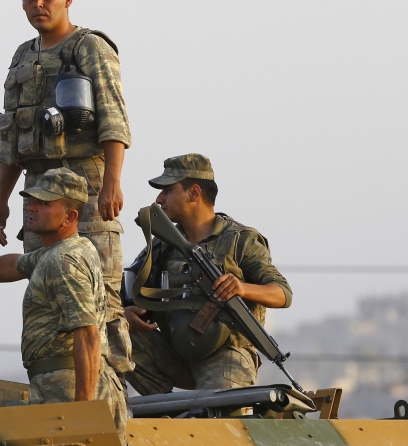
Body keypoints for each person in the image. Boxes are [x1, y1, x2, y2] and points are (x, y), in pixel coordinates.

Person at [0, 0, 133, 380]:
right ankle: (56, 385)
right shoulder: (21, 56)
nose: (37, 5)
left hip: (85, 190)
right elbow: (13, 138)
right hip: (39, 191)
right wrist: (0, 202)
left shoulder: (89, 48)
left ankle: (110, 386)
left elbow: (114, 120)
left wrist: (111, 184)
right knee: (44, 289)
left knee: (100, 294)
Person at [0, 168, 127, 446]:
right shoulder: (58, 252)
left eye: (44, 203)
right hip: (62, 383)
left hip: (68, 386)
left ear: (70, 217)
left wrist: (81, 413)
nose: (31, 207)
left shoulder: (65, 260)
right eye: (32, 200)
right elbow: (15, 265)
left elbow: (87, 334)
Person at [125, 154, 293, 394]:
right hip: (177, 351)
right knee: (113, 331)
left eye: (168, 191)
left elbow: (283, 294)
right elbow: (130, 291)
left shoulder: (240, 240)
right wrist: (128, 314)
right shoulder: (163, 245)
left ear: (194, 193)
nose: (159, 199)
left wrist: (242, 288)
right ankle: (165, 414)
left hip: (225, 355)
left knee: (219, 410)